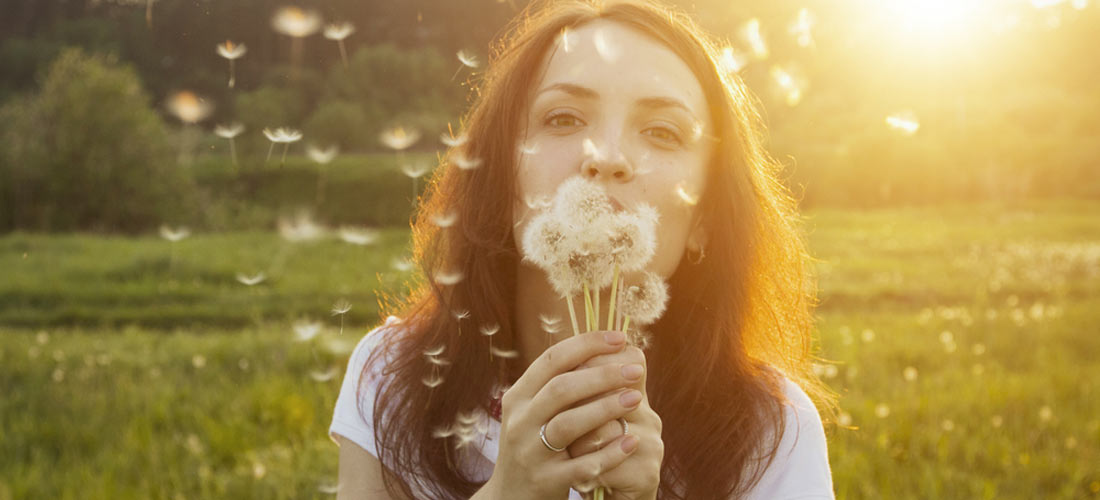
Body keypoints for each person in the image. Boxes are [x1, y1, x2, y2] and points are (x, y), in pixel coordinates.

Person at [330, 0, 839, 498]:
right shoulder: (393, 377)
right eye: (564, 119)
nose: (608, 157)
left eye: (662, 132)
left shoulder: (771, 431)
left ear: (706, 216)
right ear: (502, 176)